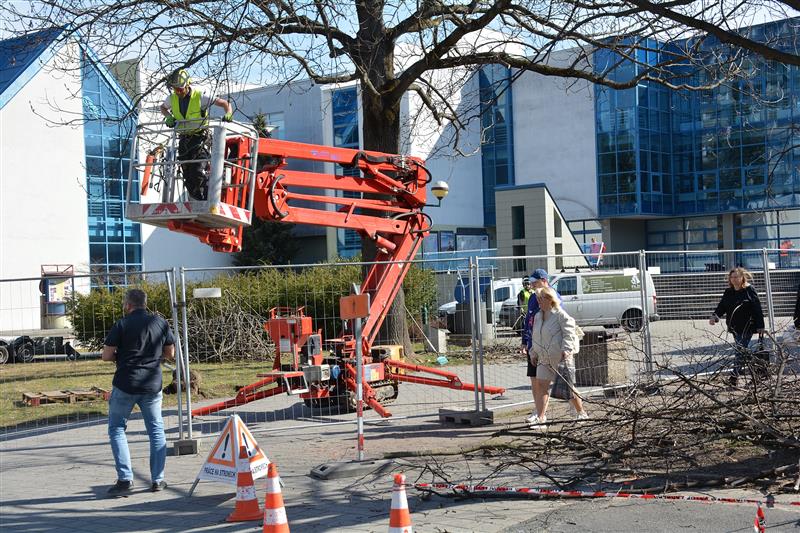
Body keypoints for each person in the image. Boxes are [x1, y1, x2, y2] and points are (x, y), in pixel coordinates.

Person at [102, 289, 175, 495]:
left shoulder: (122, 324)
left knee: (117, 428)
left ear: (128, 305)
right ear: (145, 303)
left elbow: (106, 356)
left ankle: (125, 479)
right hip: (152, 384)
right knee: (156, 430)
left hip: (125, 383)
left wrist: (120, 354)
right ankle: (158, 480)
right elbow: (170, 353)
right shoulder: (160, 322)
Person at [159, 69, 234, 200]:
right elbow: (163, 108)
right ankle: (198, 199)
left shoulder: (200, 96)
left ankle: (207, 197)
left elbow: (224, 104)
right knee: (187, 173)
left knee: (197, 171)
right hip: (184, 140)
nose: (178, 92)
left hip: (200, 138)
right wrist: (168, 117)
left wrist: (228, 113)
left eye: (180, 89)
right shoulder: (172, 99)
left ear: (188, 84)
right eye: (175, 89)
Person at [528, 287, 588, 429]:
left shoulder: (561, 315)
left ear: (549, 299)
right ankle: (541, 419)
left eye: (541, 299)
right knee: (542, 386)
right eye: (537, 299)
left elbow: (569, 334)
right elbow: (536, 336)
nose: (538, 302)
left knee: (568, 388)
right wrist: (533, 352)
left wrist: (566, 350)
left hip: (560, 358)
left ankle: (581, 413)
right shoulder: (538, 316)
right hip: (543, 358)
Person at [709, 267, 766, 386]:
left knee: (740, 351)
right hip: (734, 326)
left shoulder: (749, 290)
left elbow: (757, 308)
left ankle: (734, 377)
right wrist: (715, 316)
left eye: (737, 277)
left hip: (747, 326)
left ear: (742, 278)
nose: (734, 279)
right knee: (742, 352)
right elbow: (722, 306)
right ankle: (757, 375)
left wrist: (760, 325)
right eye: (732, 277)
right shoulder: (728, 292)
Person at [520, 269, 560, 423]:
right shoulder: (532, 298)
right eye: (531, 282)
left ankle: (579, 411)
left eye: (535, 282)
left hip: (548, 347)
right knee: (534, 380)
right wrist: (525, 340)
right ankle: (538, 412)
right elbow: (528, 320)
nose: (532, 285)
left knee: (553, 383)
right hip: (533, 346)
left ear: (544, 280)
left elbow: (558, 320)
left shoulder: (553, 296)